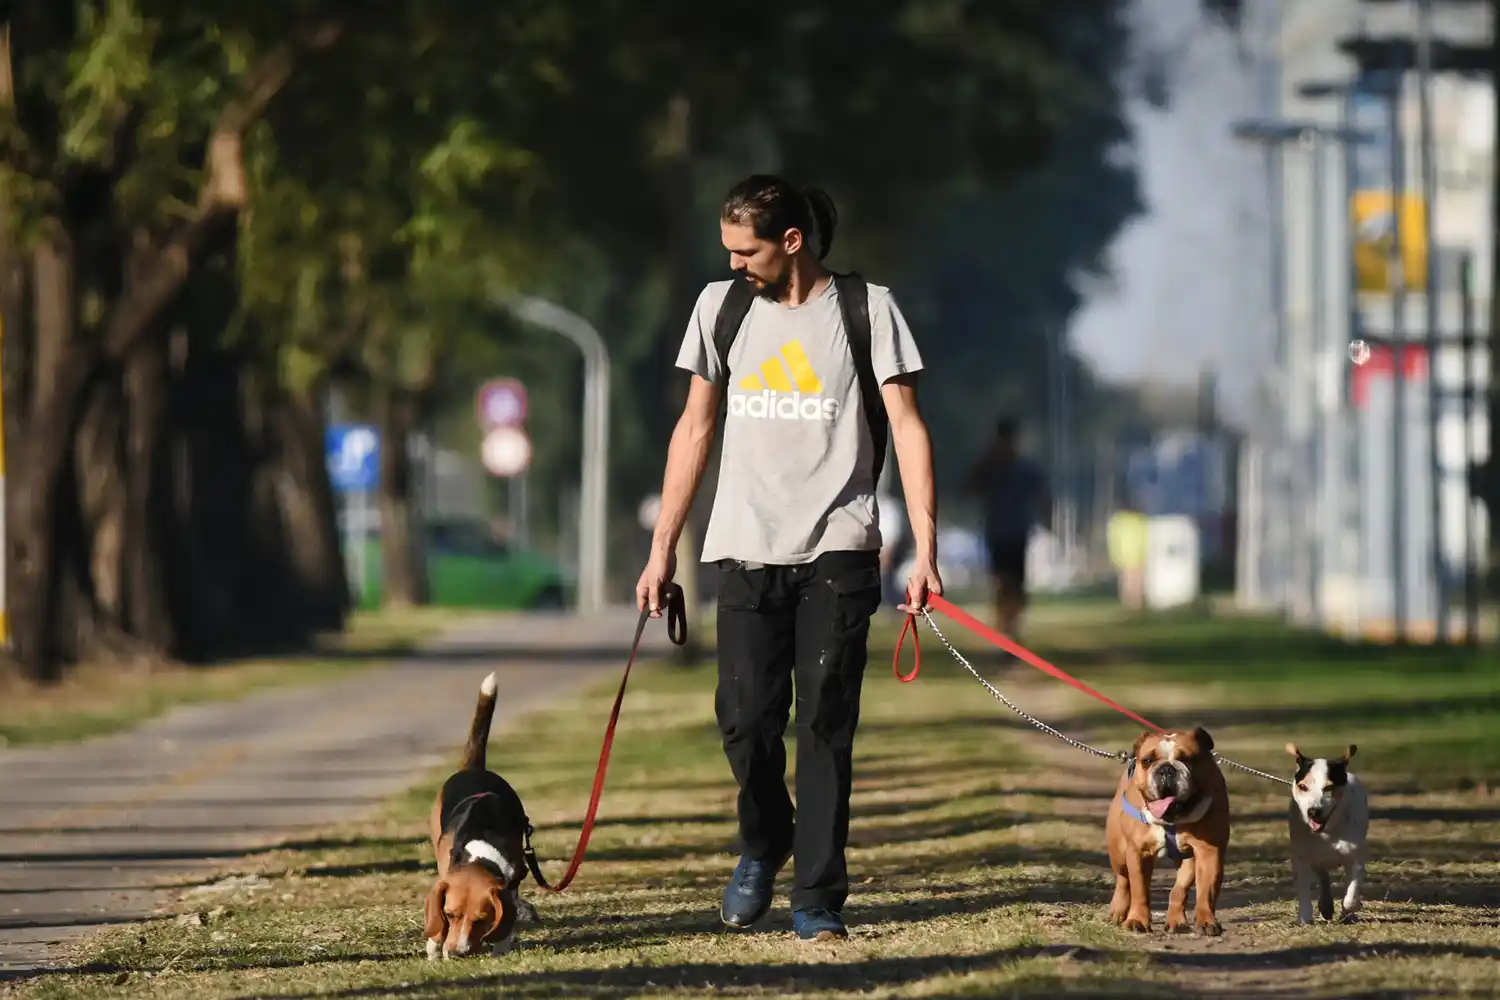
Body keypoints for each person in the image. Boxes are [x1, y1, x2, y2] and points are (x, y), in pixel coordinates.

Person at [635, 175, 941, 942]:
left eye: (748, 250)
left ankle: (816, 896)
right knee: (744, 721)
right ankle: (762, 842)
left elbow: (906, 427)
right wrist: (661, 548)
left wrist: (926, 548)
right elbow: (694, 430)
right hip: (743, 545)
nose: (736, 263)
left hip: (839, 549)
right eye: (729, 250)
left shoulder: (868, 311)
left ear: (793, 242)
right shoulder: (722, 308)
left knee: (825, 727)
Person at [964, 417, 1051, 641]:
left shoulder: (1023, 467)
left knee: (1015, 584)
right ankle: (1005, 627)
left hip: (1017, 532)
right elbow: (968, 488)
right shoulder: (990, 466)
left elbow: (1042, 494)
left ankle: (1011, 627)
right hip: (998, 532)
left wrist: (1046, 519)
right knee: (1002, 582)